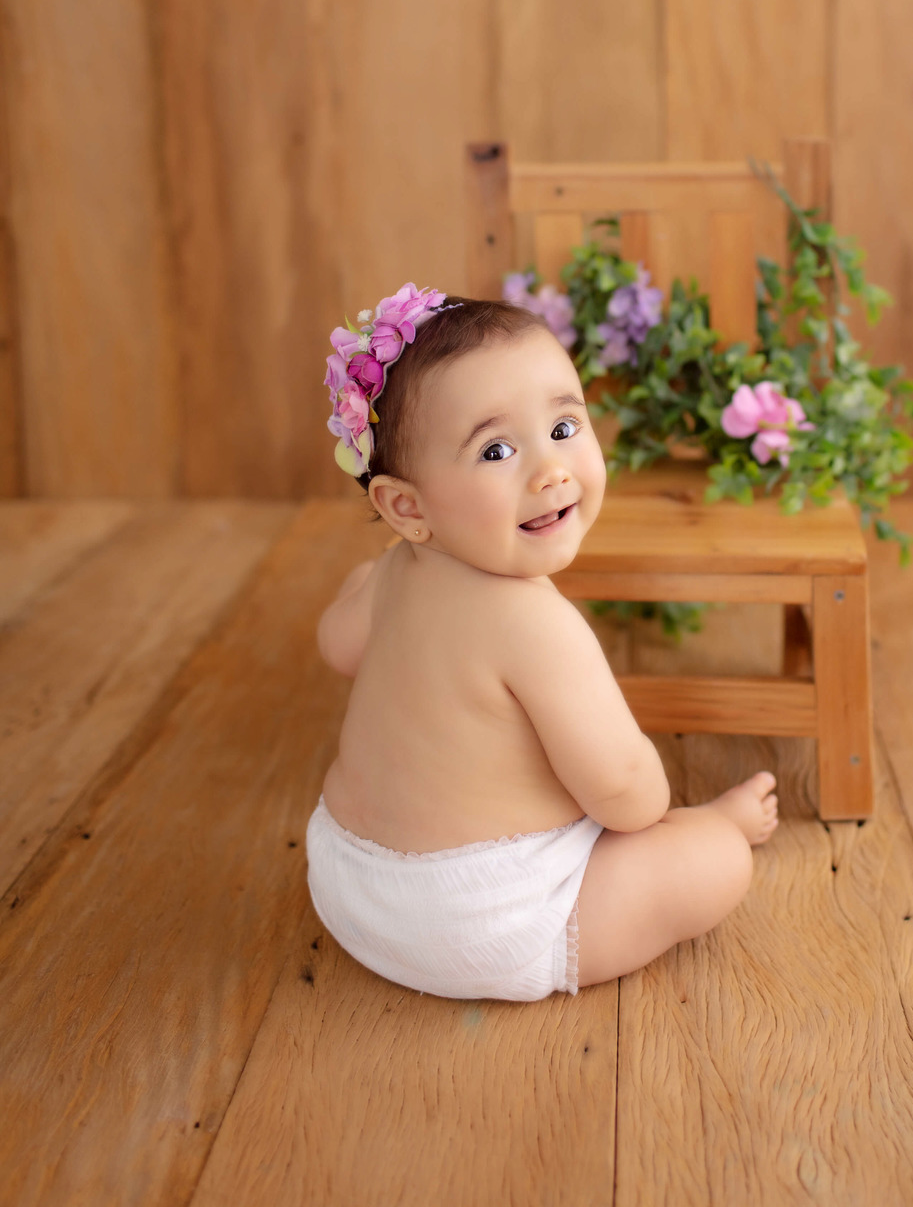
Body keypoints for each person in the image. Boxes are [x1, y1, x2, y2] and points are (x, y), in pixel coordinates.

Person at [307, 285, 779, 1002]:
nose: (550, 471)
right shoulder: (536, 623)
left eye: (564, 428)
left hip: (346, 881)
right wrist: (669, 814)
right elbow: (627, 795)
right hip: (477, 922)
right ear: (406, 506)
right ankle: (713, 824)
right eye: (496, 450)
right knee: (711, 859)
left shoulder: (399, 569)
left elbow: (336, 646)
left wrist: (366, 581)